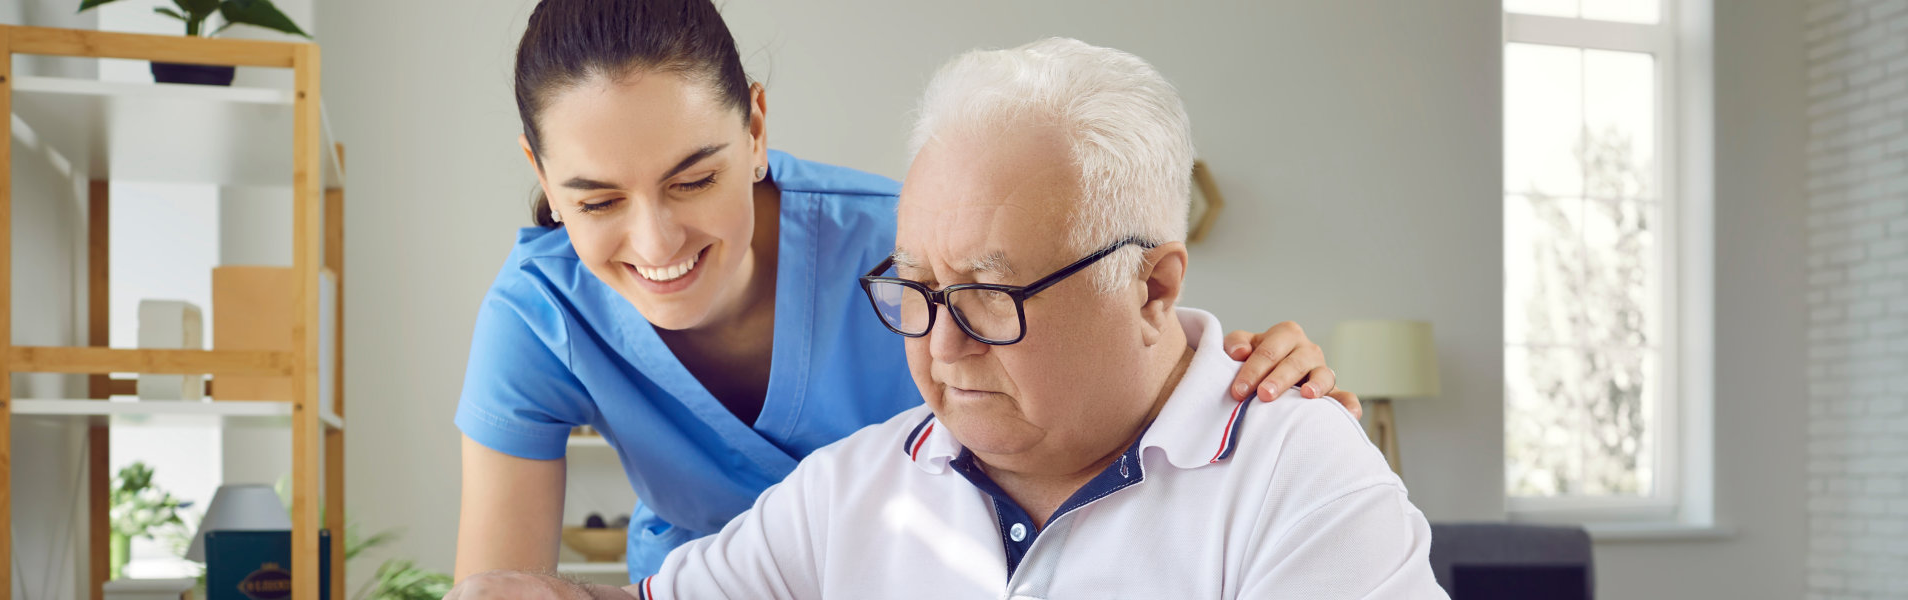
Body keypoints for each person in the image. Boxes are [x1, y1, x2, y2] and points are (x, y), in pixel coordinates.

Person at [449, 37, 1443, 600]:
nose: (939, 344)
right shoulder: (856, 486)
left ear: (1151, 288)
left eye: (988, 297)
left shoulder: (1294, 472)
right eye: (915, 292)